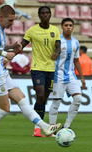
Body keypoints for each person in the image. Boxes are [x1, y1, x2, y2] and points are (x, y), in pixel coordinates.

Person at [0, 5, 61, 147]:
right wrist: (4, 54)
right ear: (1, 17)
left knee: (21, 99)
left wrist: (11, 47)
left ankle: (45, 127)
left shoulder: (0, 29)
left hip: (1, 71)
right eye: (10, 20)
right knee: (4, 108)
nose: (12, 23)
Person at [20, 6, 61, 137]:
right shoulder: (32, 31)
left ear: (50, 15)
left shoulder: (55, 30)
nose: (45, 15)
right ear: (39, 15)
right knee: (40, 95)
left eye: (47, 13)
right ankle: (38, 127)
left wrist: (56, 52)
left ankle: (40, 126)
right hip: (37, 68)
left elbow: (58, 46)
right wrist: (10, 55)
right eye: (42, 13)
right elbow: (22, 44)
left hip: (51, 69)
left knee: (44, 99)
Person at [49, 18, 86, 130]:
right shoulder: (57, 40)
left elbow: (76, 60)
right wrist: (57, 51)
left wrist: (82, 78)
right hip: (58, 75)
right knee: (56, 102)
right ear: (62, 26)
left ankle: (66, 126)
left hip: (71, 75)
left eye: (70, 25)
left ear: (73, 27)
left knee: (78, 99)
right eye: (66, 25)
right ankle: (52, 128)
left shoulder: (76, 42)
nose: (68, 27)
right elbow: (51, 57)